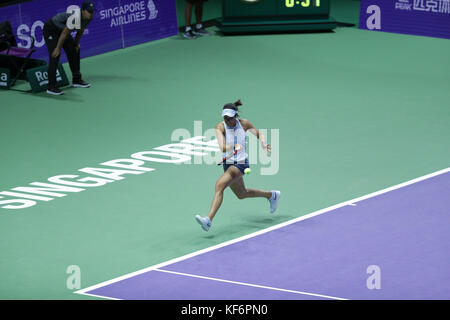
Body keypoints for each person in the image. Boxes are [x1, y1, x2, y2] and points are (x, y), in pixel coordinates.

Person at [195, 100, 281, 232]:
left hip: (241, 163)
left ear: (236, 115)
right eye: (226, 117)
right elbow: (223, 148)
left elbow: (259, 134)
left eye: (230, 117)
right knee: (242, 193)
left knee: (219, 186)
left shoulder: (244, 123)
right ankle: (272, 195)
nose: (228, 120)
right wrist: (233, 146)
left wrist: (263, 143)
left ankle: (208, 220)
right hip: (228, 163)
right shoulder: (220, 127)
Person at [43, 1, 95, 95]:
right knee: (55, 55)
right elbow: (65, 33)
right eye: (89, 11)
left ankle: (77, 80)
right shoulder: (76, 17)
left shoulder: (88, 18)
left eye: (92, 11)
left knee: (74, 51)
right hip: (52, 29)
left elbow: (81, 30)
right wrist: (58, 48)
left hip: (63, 29)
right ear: (83, 11)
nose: (91, 14)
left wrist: (76, 44)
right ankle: (51, 87)